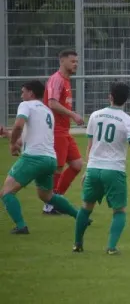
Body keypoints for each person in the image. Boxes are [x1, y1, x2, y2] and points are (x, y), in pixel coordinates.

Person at [73, 82, 130, 255]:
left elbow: (90, 145)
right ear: (127, 100)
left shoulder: (95, 116)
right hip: (114, 170)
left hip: (94, 168)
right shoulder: (128, 121)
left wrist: (88, 168)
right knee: (119, 210)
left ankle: (77, 244)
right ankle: (111, 247)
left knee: (86, 206)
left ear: (110, 96)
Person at [0, 80, 87, 234]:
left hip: (33, 158)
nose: (21, 95)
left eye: (23, 91)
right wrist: (8, 135)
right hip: (49, 160)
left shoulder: (26, 105)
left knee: (7, 192)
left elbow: (19, 126)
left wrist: (12, 144)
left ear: (31, 93)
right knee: (47, 195)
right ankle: (80, 216)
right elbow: (29, 139)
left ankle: (21, 226)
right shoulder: (47, 111)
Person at [42, 49, 85, 215]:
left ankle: (56, 198)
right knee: (58, 167)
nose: (76, 64)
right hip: (55, 130)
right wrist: (73, 114)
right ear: (62, 62)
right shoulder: (57, 80)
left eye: (77, 61)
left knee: (76, 164)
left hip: (64, 130)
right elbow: (52, 103)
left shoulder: (66, 81)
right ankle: (48, 203)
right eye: (73, 61)